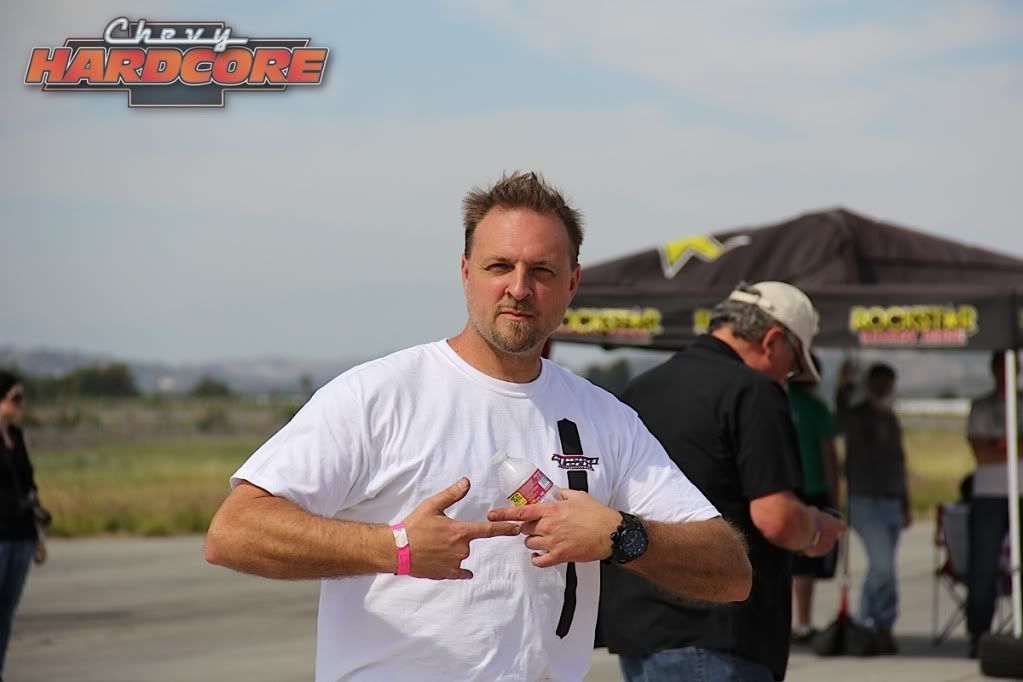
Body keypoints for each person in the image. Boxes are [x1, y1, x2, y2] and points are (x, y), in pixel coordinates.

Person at [205, 171, 753, 682]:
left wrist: (619, 534)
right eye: (499, 267)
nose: (519, 288)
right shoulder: (379, 395)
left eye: (542, 271)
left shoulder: (604, 417)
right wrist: (395, 547)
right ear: (466, 272)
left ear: (572, 283)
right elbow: (235, 531)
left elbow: (731, 571)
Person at [600, 281, 847, 682]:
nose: (788, 377)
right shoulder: (755, 392)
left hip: (639, 627)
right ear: (772, 341)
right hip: (719, 634)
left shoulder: (640, 389)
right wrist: (817, 529)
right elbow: (777, 518)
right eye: (793, 364)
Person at [843, 362, 909, 655]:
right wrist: (845, 385)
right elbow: (840, 416)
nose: (885, 390)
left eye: (889, 384)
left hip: (891, 500)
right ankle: (873, 621)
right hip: (866, 501)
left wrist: (905, 502)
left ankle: (876, 624)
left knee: (883, 568)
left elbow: (900, 462)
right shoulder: (857, 416)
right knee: (882, 567)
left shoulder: (891, 419)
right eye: (880, 384)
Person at [965, 351, 1023, 658]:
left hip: (1020, 492)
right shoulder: (982, 406)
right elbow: (981, 453)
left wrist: (999, 445)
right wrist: (1012, 447)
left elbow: (991, 449)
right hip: (989, 494)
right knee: (983, 568)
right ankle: (979, 634)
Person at [788, 354, 840, 643]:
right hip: (811, 489)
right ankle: (804, 622)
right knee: (806, 563)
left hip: (780, 488)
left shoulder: (776, 402)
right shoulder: (817, 409)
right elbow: (829, 456)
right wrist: (835, 498)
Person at [0, 370, 48, 680]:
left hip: (21, 536)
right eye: (15, 398)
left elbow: (30, 486)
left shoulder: (17, 437)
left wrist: (39, 536)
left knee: (5, 613)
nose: (20, 404)